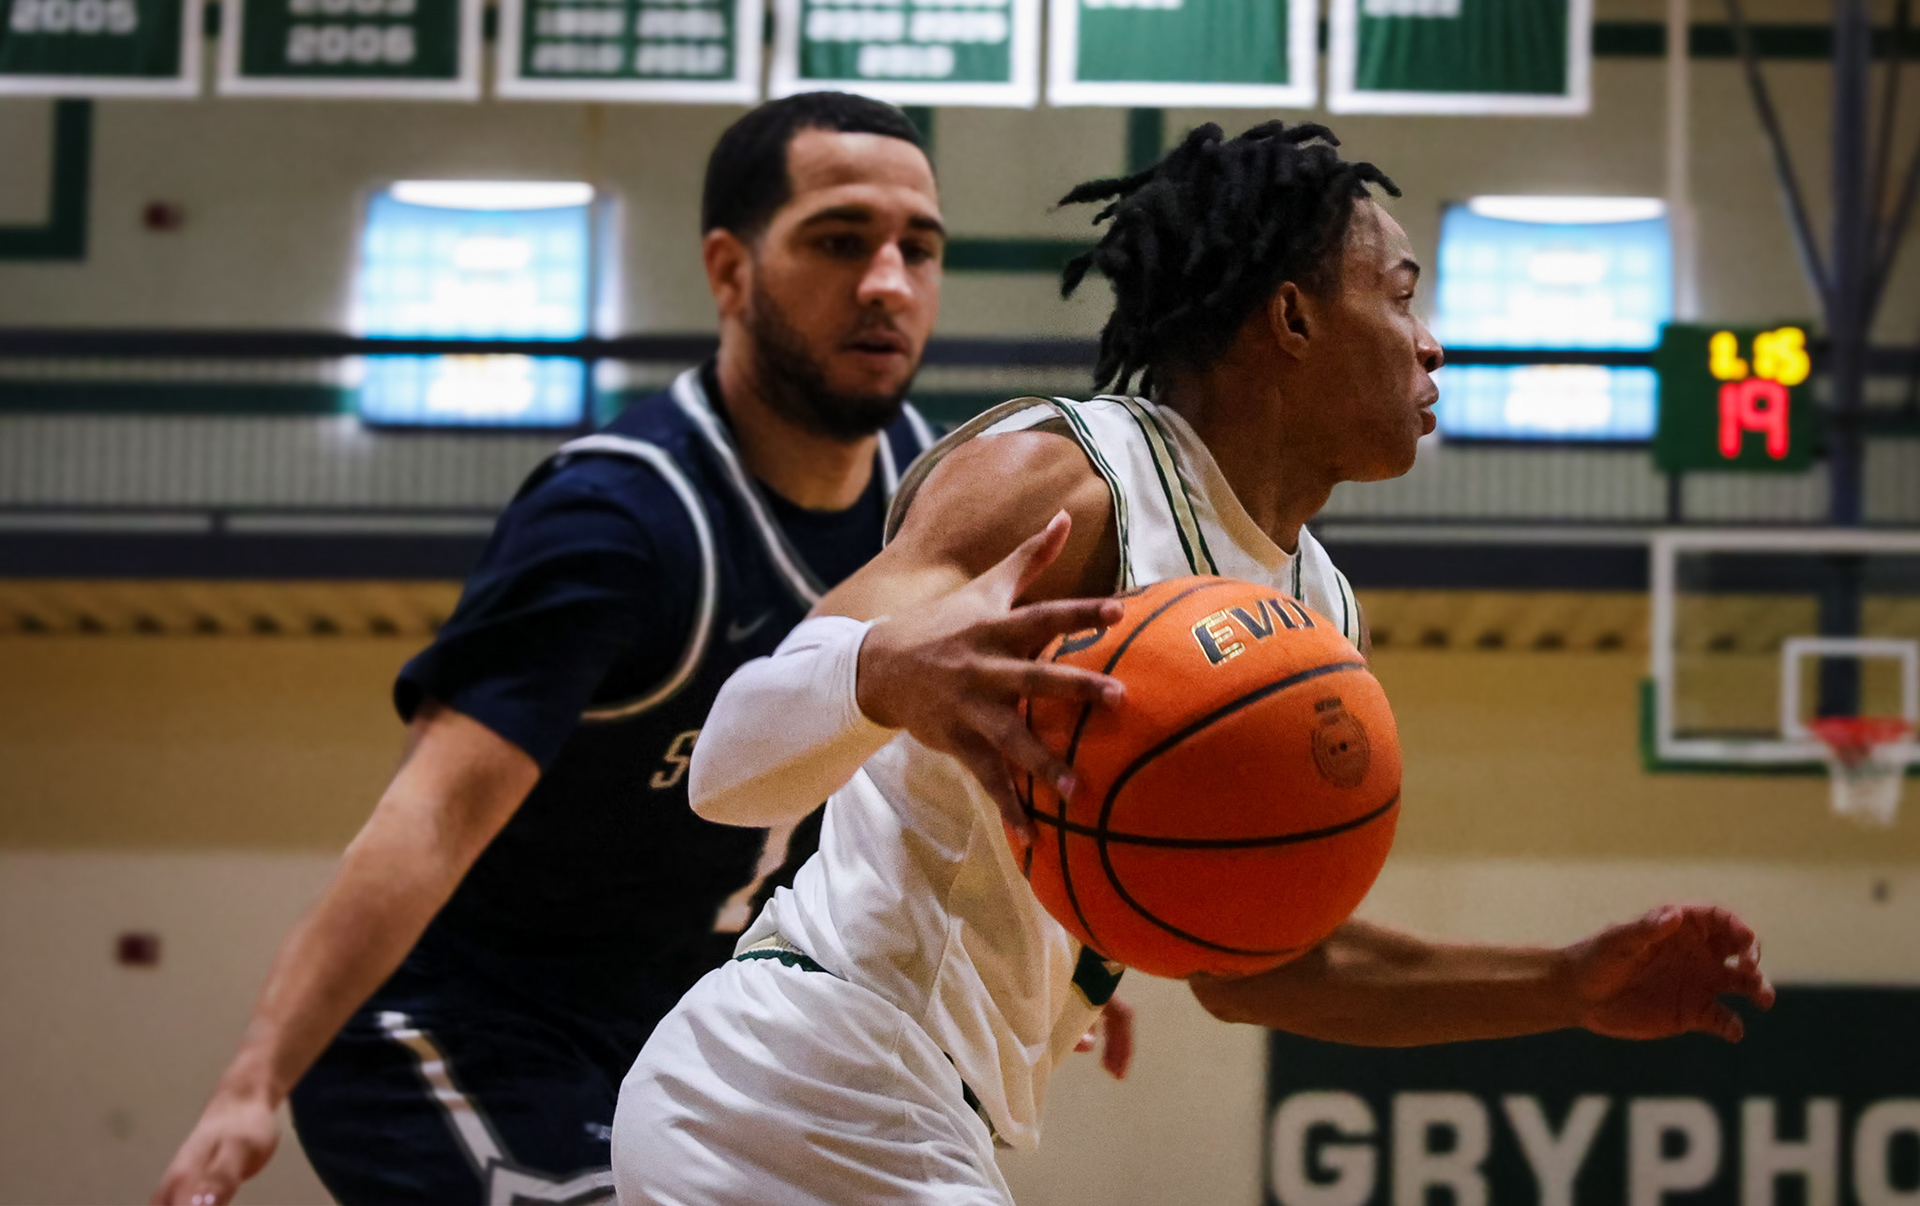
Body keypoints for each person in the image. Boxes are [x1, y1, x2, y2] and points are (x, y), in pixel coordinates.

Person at [610, 120, 1776, 1206]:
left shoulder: (1311, 608)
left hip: (910, 1113)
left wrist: (1567, 981)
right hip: (798, 1078)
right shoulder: (1070, 478)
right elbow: (731, 759)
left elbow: (1261, 970)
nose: (1432, 342)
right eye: (1403, 296)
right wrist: (882, 671)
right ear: (1293, 316)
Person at [153, 92, 955, 1206]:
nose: (887, 282)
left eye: (918, 247)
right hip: (468, 1027)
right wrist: (252, 1080)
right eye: (837, 240)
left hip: (702, 1035)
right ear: (729, 271)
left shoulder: (938, 502)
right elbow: (430, 815)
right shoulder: (619, 519)